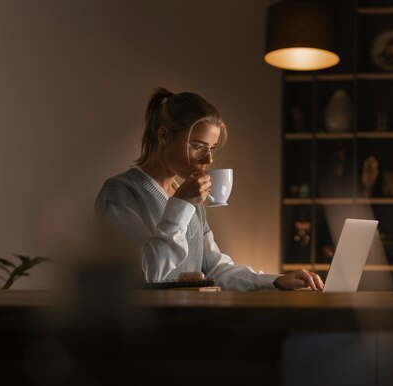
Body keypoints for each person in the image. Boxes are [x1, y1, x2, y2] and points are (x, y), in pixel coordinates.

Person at [95, 87, 323, 291]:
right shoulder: (120, 193)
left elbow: (216, 269)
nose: (209, 158)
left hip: (191, 322)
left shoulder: (192, 202)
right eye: (197, 146)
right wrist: (180, 206)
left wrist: (276, 281)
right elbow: (142, 274)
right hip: (150, 331)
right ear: (164, 136)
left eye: (212, 148)